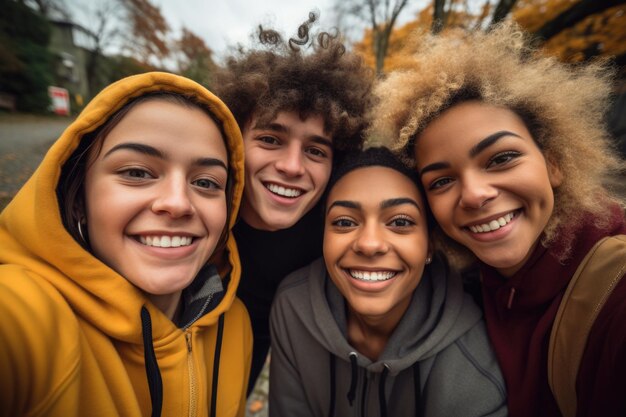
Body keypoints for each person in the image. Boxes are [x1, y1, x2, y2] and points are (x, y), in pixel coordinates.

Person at [370, 23, 626, 417]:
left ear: (553, 162)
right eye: (441, 180)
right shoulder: (469, 285)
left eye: (501, 158)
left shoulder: (615, 290)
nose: (474, 194)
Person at [0, 72, 251, 417]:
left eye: (206, 182)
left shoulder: (235, 324)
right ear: (78, 201)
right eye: (137, 173)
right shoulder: (25, 317)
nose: (178, 203)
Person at [269, 147, 507, 417]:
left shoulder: (471, 355)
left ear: (430, 245)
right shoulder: (293, 308)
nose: (370, 244)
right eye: (345, 222)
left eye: (400, 222)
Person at [213, 12, 374, 393]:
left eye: (316, 150)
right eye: (270, 139)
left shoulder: (336, 226)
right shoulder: (200, 210)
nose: (290, 167)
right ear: (235, 138)